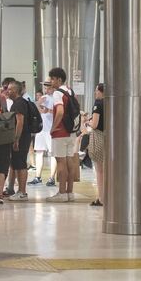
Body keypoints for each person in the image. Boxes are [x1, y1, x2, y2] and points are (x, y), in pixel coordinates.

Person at [46, 68, 78, 202]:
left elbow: (59, 112)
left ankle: (62, 193)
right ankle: (70, 192)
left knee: (60, 162)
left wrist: (53, 128)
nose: (51, 81)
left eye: (52, 79)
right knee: (70, 161)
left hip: (60, 132)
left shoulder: (57, 93)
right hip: (71, 132)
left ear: (59, 80)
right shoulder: (70, 91)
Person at [6, 81, 31, 201]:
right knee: (17, 164)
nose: (8, 91)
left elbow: (20, 122)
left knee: (21, 164)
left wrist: (16, 139)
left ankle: (22, 192)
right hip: (21, 137)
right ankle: (19, 191)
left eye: (10, 89)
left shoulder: (19, 103)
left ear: (15, 91)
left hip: (21, 138)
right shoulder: (18, 102)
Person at [88, 83, 106, 207]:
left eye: (96, 90)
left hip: (99, 137)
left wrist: (88, 122)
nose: (95, 93)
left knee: (99, 171)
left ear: (101, 91)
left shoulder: (98, 104)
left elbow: (94, 124)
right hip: (109, 138)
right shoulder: (111, 103)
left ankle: (101, 198)